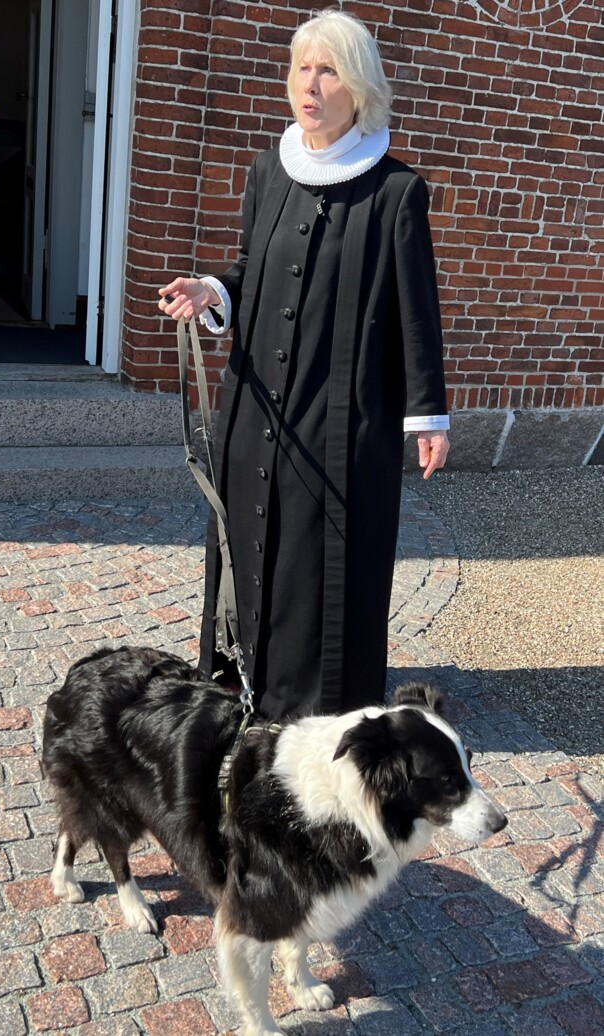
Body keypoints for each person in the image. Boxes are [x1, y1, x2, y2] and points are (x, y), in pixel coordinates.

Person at [158, 9, 449, 720]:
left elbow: (418, 311)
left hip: (342, 417)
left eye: (327, 70)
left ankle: (320, 701)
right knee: (255, 541)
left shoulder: (395, 192)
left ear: (358, 88)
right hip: (258, 410)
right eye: (300, 68)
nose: (309, 85)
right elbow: (251, 272)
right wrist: (212, 290)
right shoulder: (269, 171)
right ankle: (243, 674)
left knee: (320, 562)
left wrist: (428, 414)